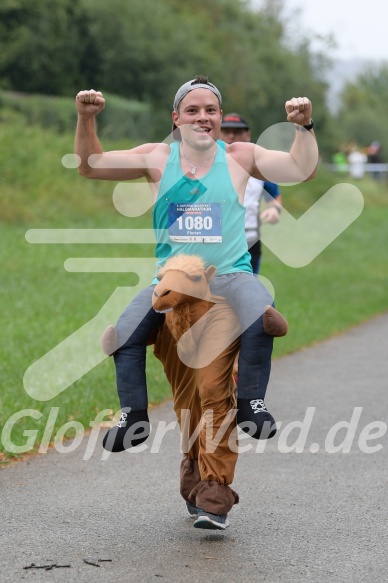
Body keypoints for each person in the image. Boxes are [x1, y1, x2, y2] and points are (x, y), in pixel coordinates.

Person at [74, 76, 317, 528]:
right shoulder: (156, 157)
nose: (203, 117)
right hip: (173, 288)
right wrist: (87, 118)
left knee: (218, 386)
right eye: (192, 110)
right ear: (176, 118)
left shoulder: (241, 157)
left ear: (221, 118)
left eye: (211, 110)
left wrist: (304, 128)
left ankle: (245, 420)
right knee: (133, 346)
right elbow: (90, 164)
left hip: (227, 285)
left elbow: (300, 170)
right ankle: (136, 418)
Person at [220, 113, 283, 274]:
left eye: (237, 131)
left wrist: (274, 209)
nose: (231, 136)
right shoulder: (205, 164)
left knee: (250, 291)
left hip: (249, 239)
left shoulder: (258, 166)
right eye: (226, 131)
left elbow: (274, 195)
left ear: (248, 135)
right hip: (216, 240)